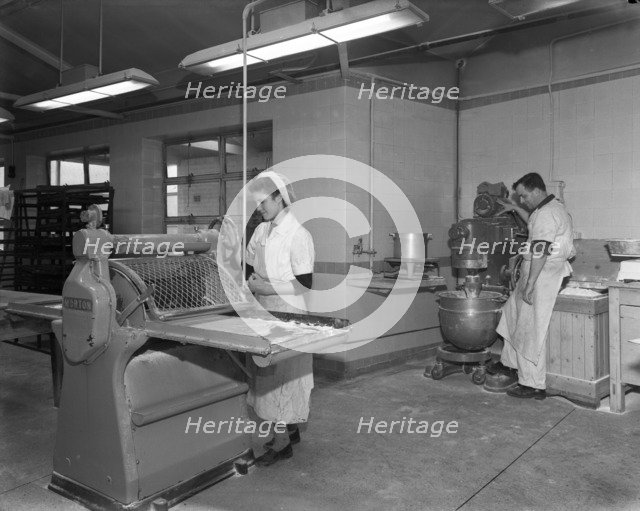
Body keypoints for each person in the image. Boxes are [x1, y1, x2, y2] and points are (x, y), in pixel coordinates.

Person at [244, 171, 315, 466]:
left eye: (263, 201)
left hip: (289, 313)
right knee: (267, 377)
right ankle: (291, 428)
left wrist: (265, 286)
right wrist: (251, 286)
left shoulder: (299, 234)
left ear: (279, 197)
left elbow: (305, 282)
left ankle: (282, 442)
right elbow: (248, 266)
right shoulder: (261, 232)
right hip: (264, 311)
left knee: (285, 378)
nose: (259, 208)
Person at [493, 172, 575, 399]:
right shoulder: (546, 209)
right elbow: (532, 219)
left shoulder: (548, 213)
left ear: (537, 190)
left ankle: (532, 384)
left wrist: (530, 283)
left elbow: (541, 250)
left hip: (543, 273)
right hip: (537, 270)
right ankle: (510, 364)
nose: (522, 200)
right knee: (510, 314)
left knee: (530, 329)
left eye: (523, 196)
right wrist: (513, 208)